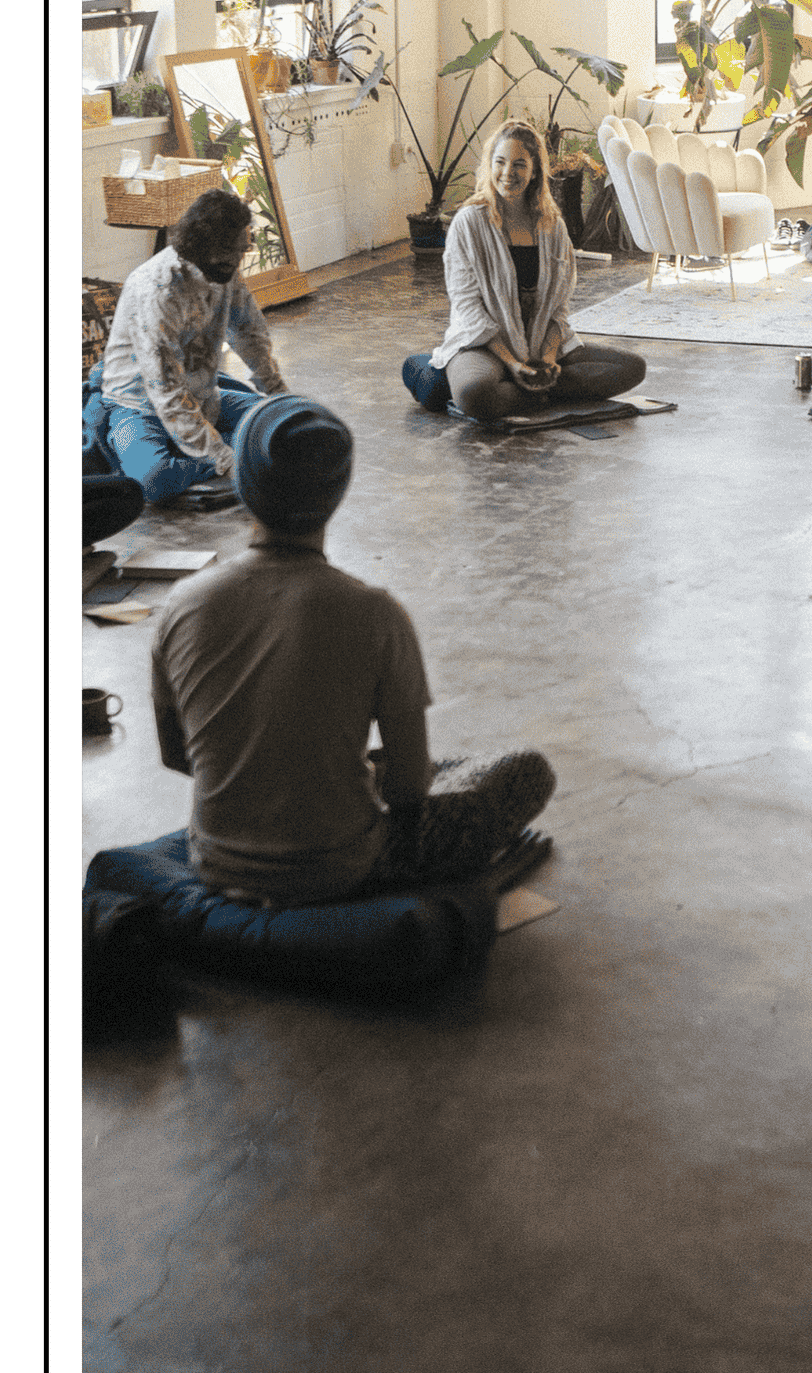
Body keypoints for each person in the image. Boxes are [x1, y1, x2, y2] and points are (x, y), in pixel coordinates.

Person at [151, 394, 554, 906]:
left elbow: (175, 755)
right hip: (343, 868)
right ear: (338, 491)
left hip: (214, 861)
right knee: (524, 769)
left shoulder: (181, 602)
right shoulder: (376, 613)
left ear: (243, 485)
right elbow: (408, 793)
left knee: (354, 758)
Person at [413, 123, 647, 420]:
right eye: (500, 162)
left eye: (519, 164)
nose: (507, 172)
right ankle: (527, 387)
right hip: (485, 345)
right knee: (474, 395)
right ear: (490, 165)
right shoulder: (468, 223)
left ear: (535, 171)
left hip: (539, 345)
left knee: (632, 367)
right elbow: (468, 310)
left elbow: (558, 309)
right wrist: (513, 362)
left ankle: (533, 387)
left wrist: (548, 361)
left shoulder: (552, 226)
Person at [83, 188, 288, 506]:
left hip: (203, 397)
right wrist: (223, 457)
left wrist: (280, 397)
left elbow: (249, 335)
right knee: (152, 480)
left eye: (244, 250)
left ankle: (213, 450)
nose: (240, 259)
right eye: (235, 251)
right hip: (138, 405)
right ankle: (228, 453)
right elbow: (166, 391)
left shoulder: (224, 270)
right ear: (207, 246)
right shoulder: (158, 290)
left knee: (280, 424)